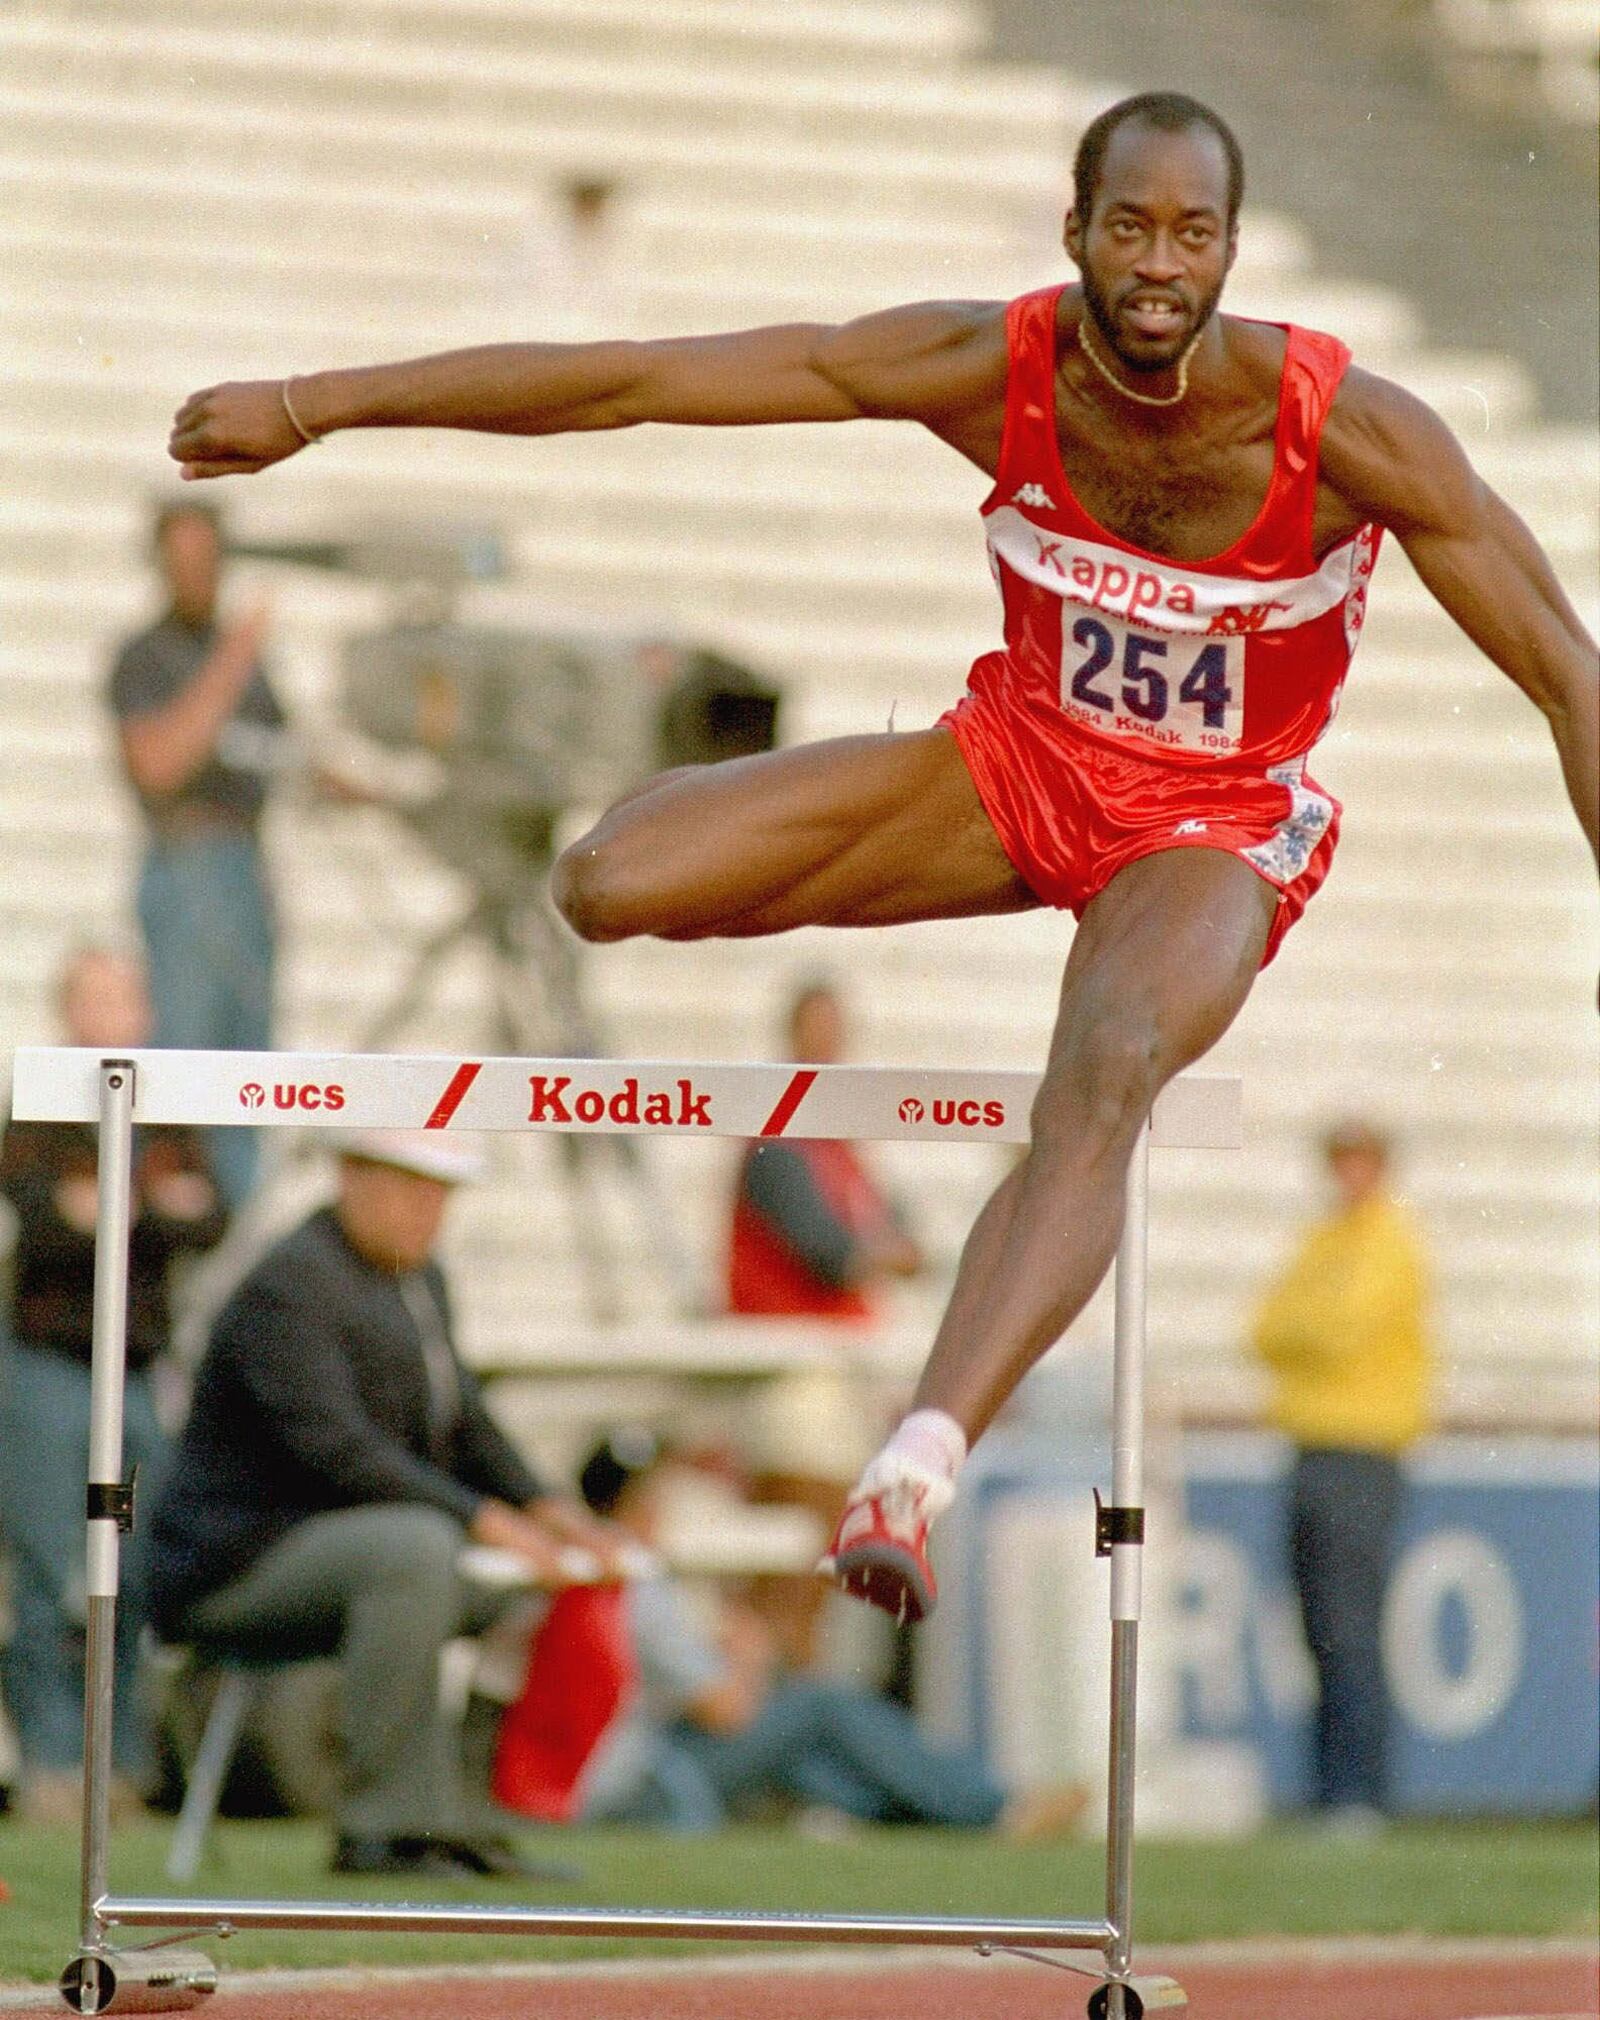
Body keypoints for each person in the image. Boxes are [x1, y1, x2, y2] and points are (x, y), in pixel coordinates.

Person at [165, 89, 1598, 1628]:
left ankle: (916, 1459)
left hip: (1212, 821)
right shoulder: (986, 364)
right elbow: (641, 378)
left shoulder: (1354, 429)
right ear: (1075, 235)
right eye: (1129, 228)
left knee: (1107, 1062)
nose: (1159, 266)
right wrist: (315, 404)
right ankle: (912, 1432)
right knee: (606, 882)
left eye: (1193, 234)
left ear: (1235, 250)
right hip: (1019, 766)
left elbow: (1570, 674)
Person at [145, 1131, 623, 1877]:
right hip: (237, 1563)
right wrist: (488, 1519)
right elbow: (340, 1449)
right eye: (412, 1189)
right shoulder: (292, 1285)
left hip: (351, 1549)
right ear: (351, 1177)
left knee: (512, 1581)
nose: (428, 1214)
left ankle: (456, 1813)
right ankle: (381, 1827)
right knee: (416, 1550)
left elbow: (464, 1417)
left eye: (441, 1196)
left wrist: (549, 1510)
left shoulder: (417, 1279)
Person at [493, 1431, 1086, 1838]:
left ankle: (955, 1814)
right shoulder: (632, 1579)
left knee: (803, 1756)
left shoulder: (591, 1570)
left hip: (596, 1771)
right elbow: (725, 1709)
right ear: (630, 1503)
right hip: (629, 1781)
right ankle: (988, 1807)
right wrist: (750, 1654)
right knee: (817, 1707)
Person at [0, 947, 227, 1824]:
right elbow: (45, 1220)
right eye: (94, 996)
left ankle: (117, 1761)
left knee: (130, 1574)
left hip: (133, 1378)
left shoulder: (167, 1104)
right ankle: (55, 1762)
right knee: (55, 1568)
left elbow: (208, 1216)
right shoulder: (43, 1100)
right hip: (52, 1374)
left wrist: (112, 1204)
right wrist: (137, 1207)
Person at [729, 976, 922, 1668]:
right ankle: (771, 1705)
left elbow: (907, 1240)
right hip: (793, 1370)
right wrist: (878, 1254)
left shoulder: (842, 1145)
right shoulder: (778, 1143)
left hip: (840, 1369)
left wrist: (882, 1253)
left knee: (822, 1559)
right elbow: (834, 1253)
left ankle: (791, 1702)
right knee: (795, 1559)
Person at [106, 499, 288, 1210]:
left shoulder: (247, 661)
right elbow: (158, 765)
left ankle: (234, 1220)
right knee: (186, 1063)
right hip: (188, 863)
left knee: (248, 1066)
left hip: (246, 867)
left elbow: (286, 751)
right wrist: (233, 658)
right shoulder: (145, 657)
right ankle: (184, 1223)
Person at [1250, 1118, 1432, 1828]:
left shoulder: (1390, 1243)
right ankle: (1333, 1791)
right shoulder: (1324, 1241)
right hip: (1313, 1446)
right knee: (1318, 1627)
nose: (1347, 1177)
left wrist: (1306, 1330)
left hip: (1364, 1450)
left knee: (1350, 1625)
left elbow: (1330, 1329)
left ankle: (1361, 1794)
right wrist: (1308, 1331)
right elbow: (1264, 1329)